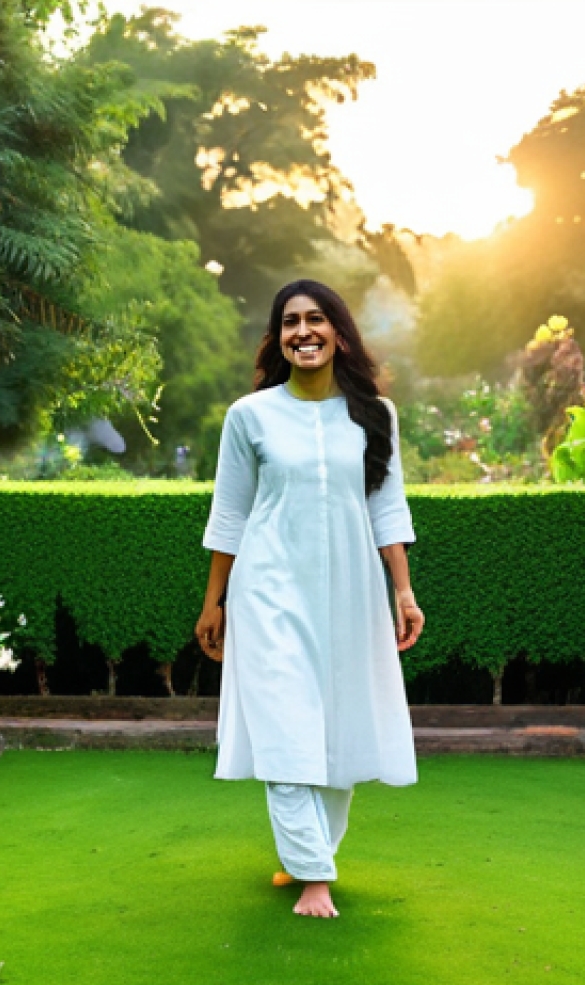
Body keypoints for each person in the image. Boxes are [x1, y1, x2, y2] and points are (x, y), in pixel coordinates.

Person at [195, 279, 425, 919]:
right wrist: (214, 601)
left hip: (351, 593)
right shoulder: (251, 415)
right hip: (267, 589)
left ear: (339, 333)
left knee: (340, 726)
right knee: (286, 724)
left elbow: (387, 507)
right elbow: (231, 513)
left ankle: (310, 850)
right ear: (279, 338)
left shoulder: (377, 415)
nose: (304, 331)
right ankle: (313, 875)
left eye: (316, 319)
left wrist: (402, 592)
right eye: (291, 321)